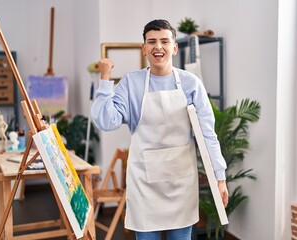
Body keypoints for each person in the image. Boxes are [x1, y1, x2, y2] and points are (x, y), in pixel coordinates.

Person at [91, 19, 228, 240]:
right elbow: (106, 121)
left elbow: (207, 135)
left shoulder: (191, 84)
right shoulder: (131, 83)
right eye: (151, 41)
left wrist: (220, 178)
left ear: (174, 47)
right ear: (144, 48)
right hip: (145, 185)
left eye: (165, 41)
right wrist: (105, 79)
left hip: (180, 184)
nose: (158, 47)